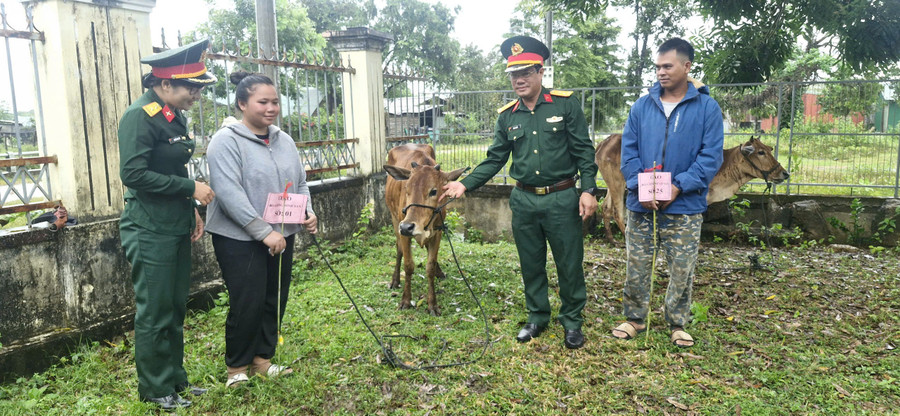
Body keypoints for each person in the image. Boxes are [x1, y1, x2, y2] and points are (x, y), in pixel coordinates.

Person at [441, 35, 600, 349]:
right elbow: (495, 158)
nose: (519, 79)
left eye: (526, 72)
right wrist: (465, 183)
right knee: (531, 261)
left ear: (541, 72)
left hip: (561, 197)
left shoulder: (565, 104)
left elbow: (584, 151)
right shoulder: (507, 115)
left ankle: (572, 321)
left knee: (569, 262)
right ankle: (537, 316)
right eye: (514, 74)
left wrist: (589, 190)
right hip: (524, 199)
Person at [118, 39, 217, 410]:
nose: (196, 93)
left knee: (175, 307)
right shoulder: (139, 117)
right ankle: (155, 387)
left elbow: (172, 167)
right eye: (191, 87)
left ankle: (176, 379)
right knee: (155, 309)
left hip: (174, 221)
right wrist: (190, 187)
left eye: (199, 87)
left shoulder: (172, 115)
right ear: (164, 84)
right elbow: (133, 174)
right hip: (149, 228)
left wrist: (190, 205)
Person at [205, 71, 318, 388]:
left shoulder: (285, 141)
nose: (271, 108)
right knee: (247, 300)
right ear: (242, 103)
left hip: (282, 234)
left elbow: (300, 183)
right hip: (239, 238)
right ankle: (236, 368)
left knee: (274, 297)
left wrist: (307, 212)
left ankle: (262, 361)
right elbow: (228, 194)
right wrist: (262, 231)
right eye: (262, 102)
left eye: (275, 102)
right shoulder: (224, 142)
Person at [611, 38, 724, 348]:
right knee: (637, 262)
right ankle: (634, 318)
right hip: (641, 204)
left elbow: (711, 155)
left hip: (685, 205)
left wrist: (679, 185)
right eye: (657, 67)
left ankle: (677, 322)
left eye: (667, 66)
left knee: (682, 266)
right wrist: (638, 186)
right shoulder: (642, 106)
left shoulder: (706, 108)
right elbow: (629, 153)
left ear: (687, 67)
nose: (660, 72)